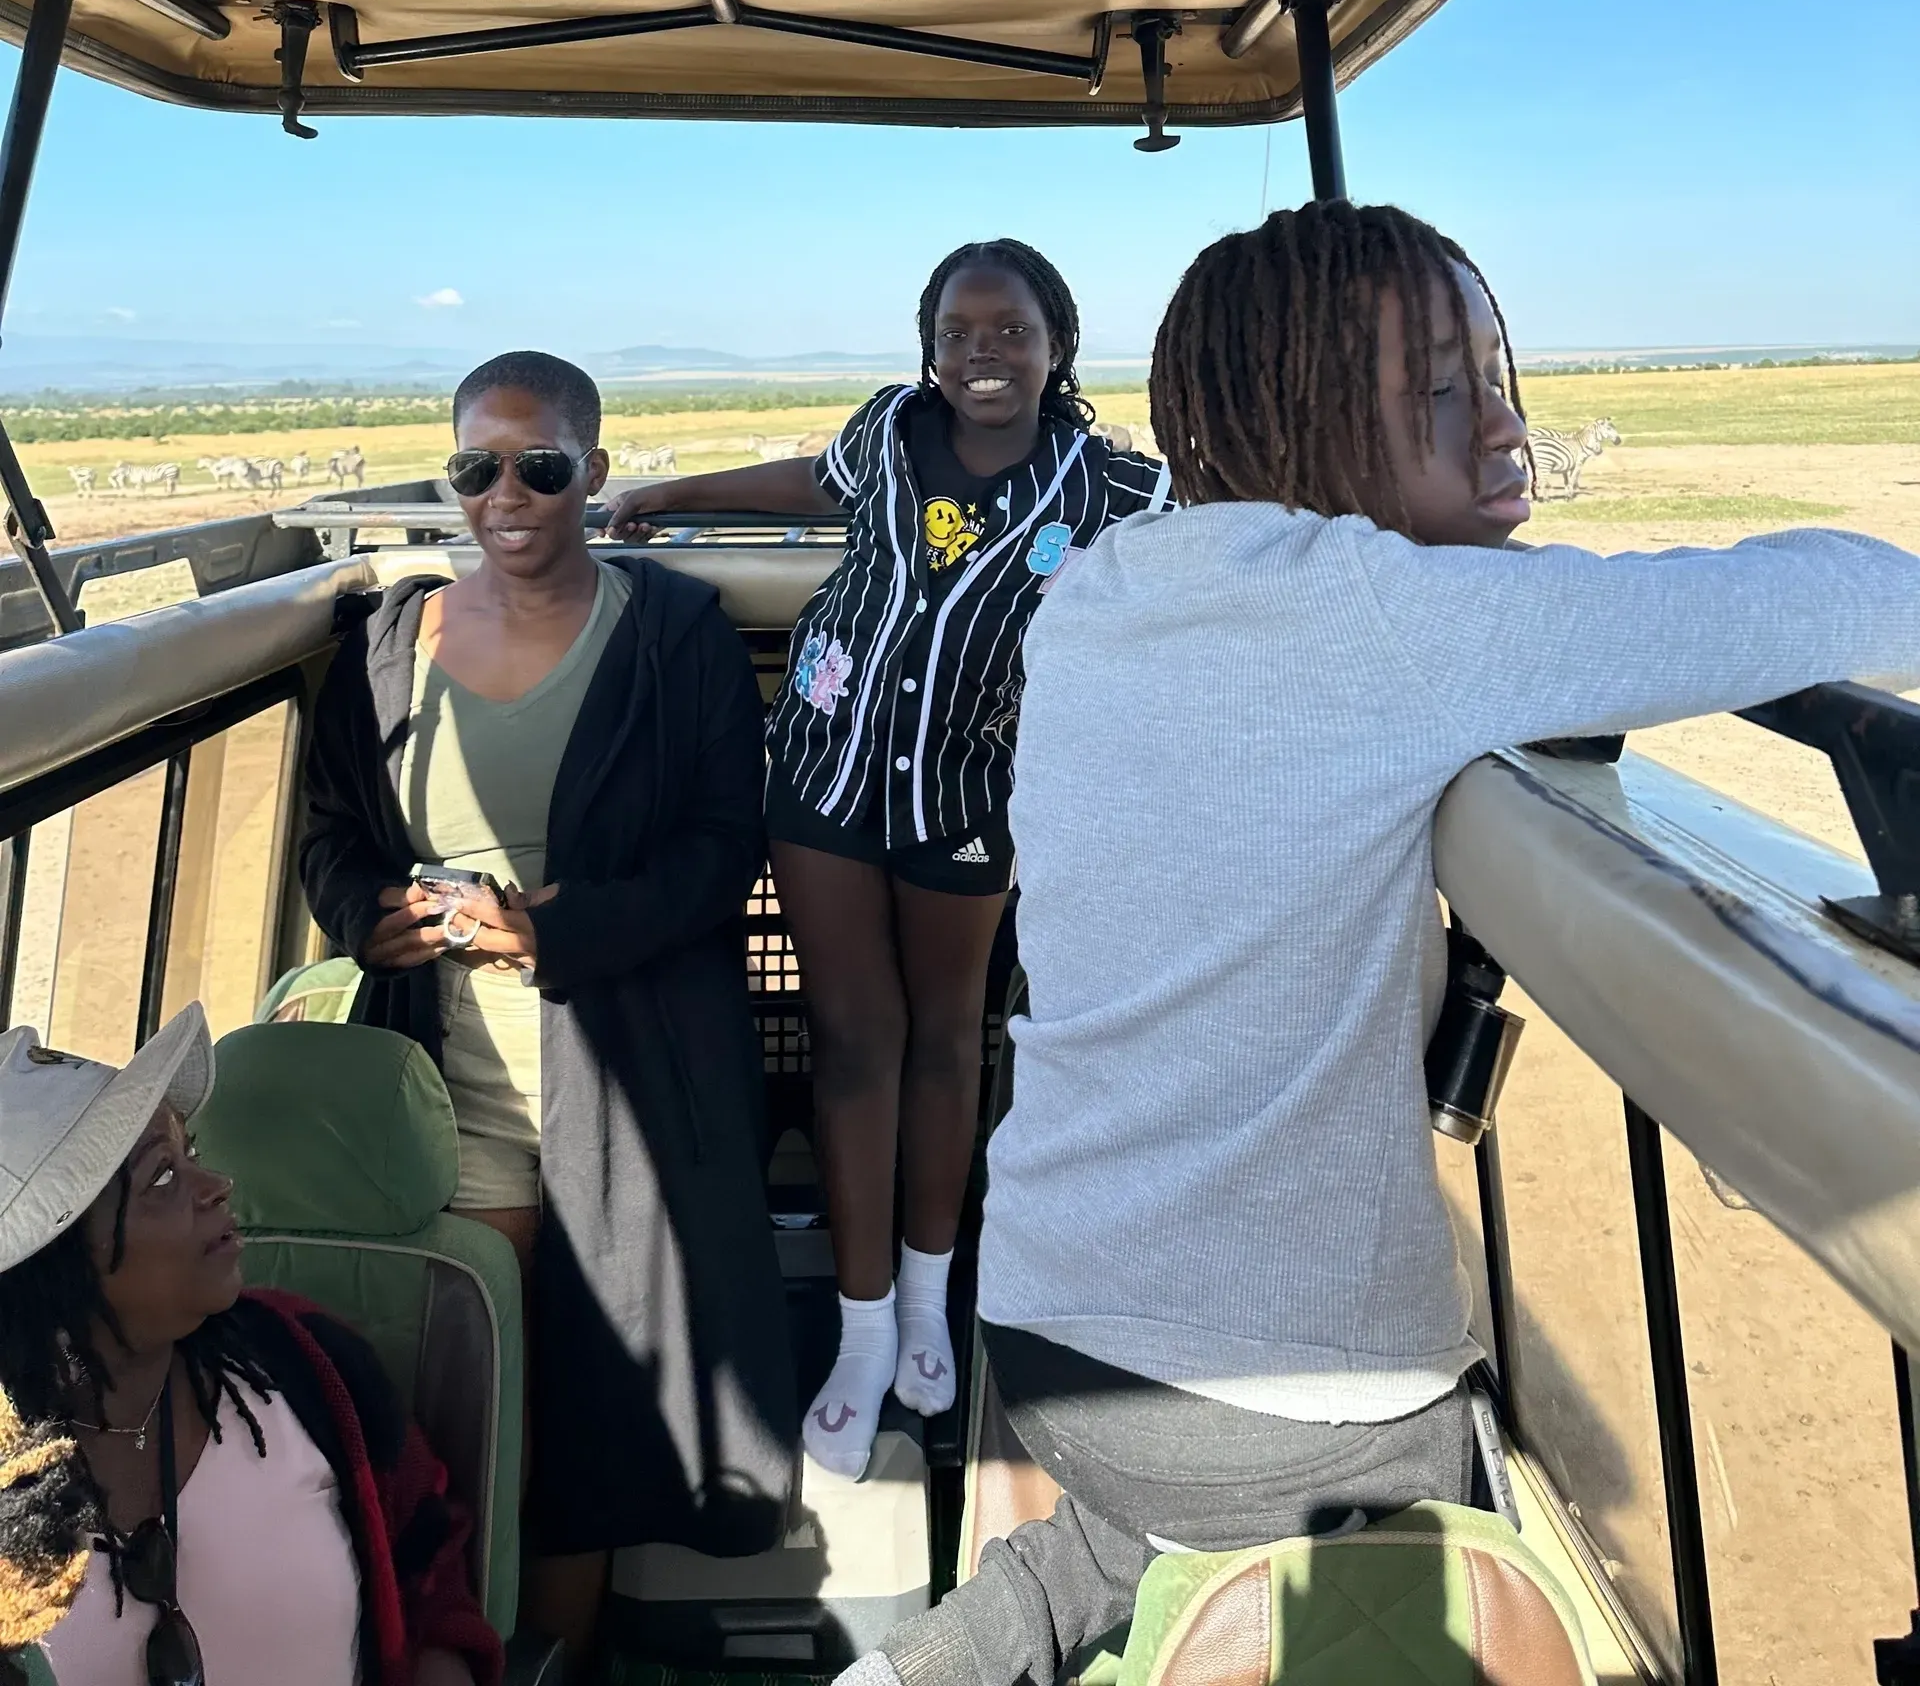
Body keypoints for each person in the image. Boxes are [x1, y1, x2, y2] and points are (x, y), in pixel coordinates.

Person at [841, 199, 1920, 1686]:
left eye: (1500, 379)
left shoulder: (1108, 588)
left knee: (1126, 1533)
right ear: (1302, 412)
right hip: (1281, 1394)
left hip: (1046, 1328)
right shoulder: (1377, 613)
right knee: (1474, 1526)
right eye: (1442, 390)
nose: (1503, 432)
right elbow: (1818, 597)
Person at [608, 242, 1170, 1479]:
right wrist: (663, 492)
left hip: (968, 793)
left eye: (1010, 331)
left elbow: (1235, 530)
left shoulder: (1112, 490)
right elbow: (808, 483)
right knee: (852, 1038)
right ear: (930, 346)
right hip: (822, 771)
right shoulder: (884, 437)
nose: (984, 354)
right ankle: (862, 1337)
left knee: (946, 1039)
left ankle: (930, 1303)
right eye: (960, 332)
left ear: (1057, 344)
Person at [301, 351, 795, 1666]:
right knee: (477, 1381)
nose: (505, 495)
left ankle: (549, 1656)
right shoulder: (386, 645)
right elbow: (333, 840)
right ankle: (458, 1635)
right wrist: (367, 918)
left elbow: (720, 846)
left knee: (587, 1399)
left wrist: (557, 928)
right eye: (475, 467)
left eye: (541, 465)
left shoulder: (674, 638)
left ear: (594, 473)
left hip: (627, 1073)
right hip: (445, 1078)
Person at [0, 1003, 499, 1686]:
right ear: (57, 1271)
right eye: (163, 1180)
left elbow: (432, 1577)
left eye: (192, 1154)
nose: (218, 1186)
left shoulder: (304, 1362)